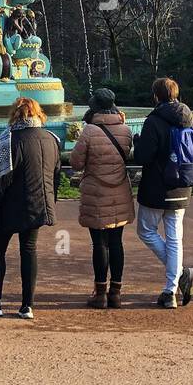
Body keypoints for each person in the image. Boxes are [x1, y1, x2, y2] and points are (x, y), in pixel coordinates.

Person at [0, 97, 58, 320]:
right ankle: (27, 306)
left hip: (8, 207)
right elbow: (55, 173)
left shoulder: (9, 138)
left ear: (15, 114)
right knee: (29, 251)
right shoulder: (51, 138)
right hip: (37, 205)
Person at [132, 77, 193, 309]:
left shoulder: (154, 120)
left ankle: (179, 276)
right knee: (175, 238)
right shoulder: (191, 119)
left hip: (157, 186)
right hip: (183, 184)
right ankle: (170, 291)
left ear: (156, 96)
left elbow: (143, 157)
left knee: (146, 231)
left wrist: (137, 142)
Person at [69, 88, 134, 309]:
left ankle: (100, 293)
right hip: (120, 191)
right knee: (117, 242)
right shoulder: (125, 130)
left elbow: (76, 163)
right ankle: (116, 292)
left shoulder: (90, 131)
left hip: (96, 192)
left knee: (99, 243)